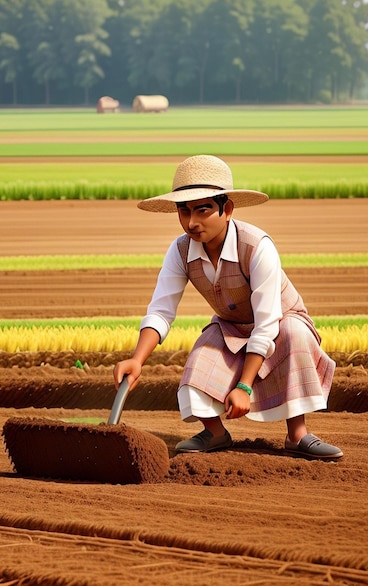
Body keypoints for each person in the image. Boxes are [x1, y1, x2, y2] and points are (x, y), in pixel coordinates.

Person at [113, 155, 343, 460]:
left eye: (203, 210)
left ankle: (297, 434)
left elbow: (266, 321)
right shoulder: (180, 250)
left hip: (280, 321)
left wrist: (245, 388)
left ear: (227, 209)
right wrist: (137, 360)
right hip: (231, 326)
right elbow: (161, 310)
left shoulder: (258, 246)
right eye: (184, 211)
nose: (192, 222)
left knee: (292, 333)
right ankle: (215, 433)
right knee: (202, 354)